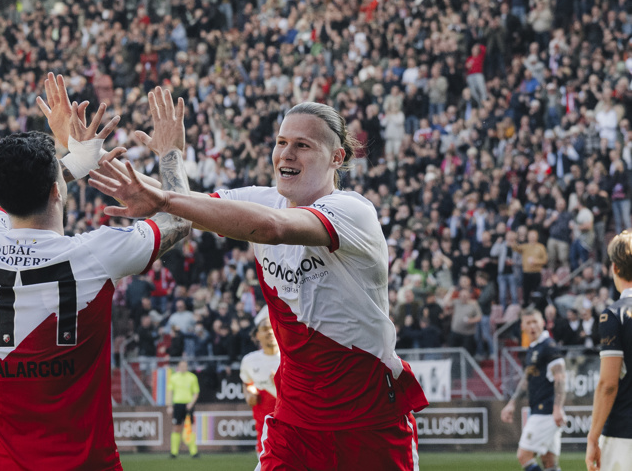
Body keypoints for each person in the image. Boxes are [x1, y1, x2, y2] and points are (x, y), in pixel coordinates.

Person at [90, 101, 428, 470]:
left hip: (369, 423)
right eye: (281, 141)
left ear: (337, 157)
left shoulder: (353, 211)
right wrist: (85, 155)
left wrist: (171, 162)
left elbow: (273, 228)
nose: (286, 152)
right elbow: (189, 204)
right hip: (295, 423)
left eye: (303, 144)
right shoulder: (262, 200)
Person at [0, 75, 191, 470]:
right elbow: (181, 220)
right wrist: (171, 153)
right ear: (56, 192)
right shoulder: (96, 253)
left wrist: (74, 159)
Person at [586, 231, 632, 471]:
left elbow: (608, 384)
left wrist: (593, 437)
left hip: (624, 432)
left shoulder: (614, 315)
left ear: (614, 267)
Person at [500, 309, 567, 471]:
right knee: (549, 461)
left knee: (524, 456)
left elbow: (560, 378)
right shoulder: (533, 348)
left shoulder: (549, 346)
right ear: (522, 326)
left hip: (545, 411)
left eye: (535, 321)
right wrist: (512, 403)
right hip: (542, 410)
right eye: (528, 323)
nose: (532, 326)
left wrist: (557, 408)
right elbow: (526, 379)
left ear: (543, 323)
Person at [239, 308, 280, 456]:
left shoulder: (290, 359)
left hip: (291, 427)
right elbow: (248, 383)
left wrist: (280, 385)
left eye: (272, 328)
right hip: (264, 433)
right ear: (257, 335)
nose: (269, 332)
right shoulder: (249, 361)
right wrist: (249, 395)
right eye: (264, 329)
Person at [166, 360, 199, 458]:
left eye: (185, 366)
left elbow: (196, 392)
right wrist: (169, 406)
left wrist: (191, 403)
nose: (183, 367)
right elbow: (170, 392)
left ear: (187, 367)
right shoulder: (174, 378)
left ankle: (194, 452)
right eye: (182, 366)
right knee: (176, 427)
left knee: (191, 428)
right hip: (178, 405)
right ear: (178, 367)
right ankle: (174, 452)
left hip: (188, 405)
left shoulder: (192, 377)